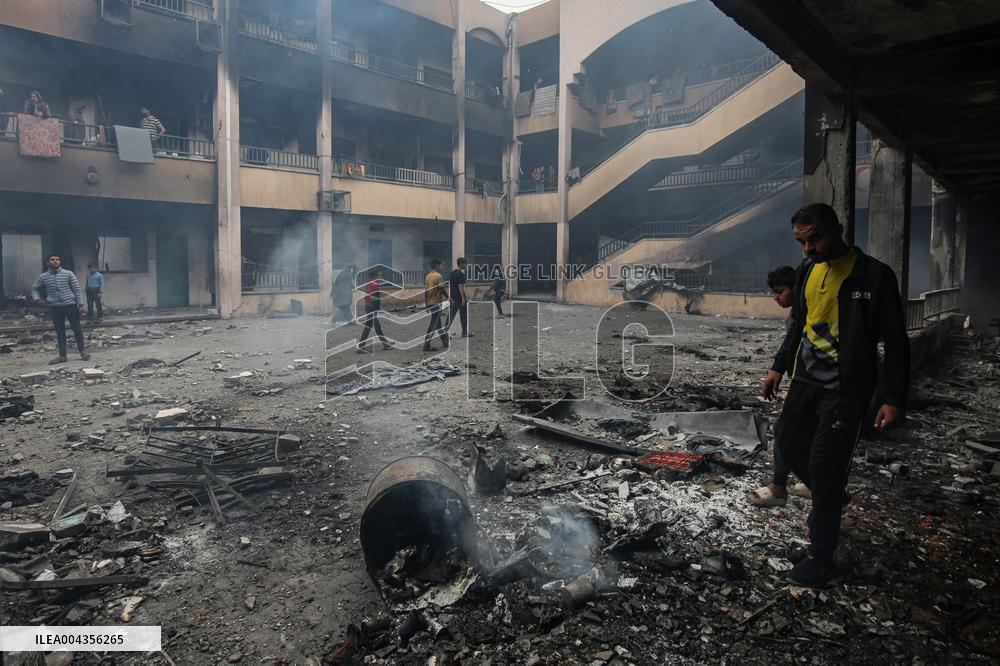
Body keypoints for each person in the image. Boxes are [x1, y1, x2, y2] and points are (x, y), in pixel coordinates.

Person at [767, 203, 908, 587]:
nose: (808, 248)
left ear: (838, 229)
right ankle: (828, 498)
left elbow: (896, 340)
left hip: (846, 389)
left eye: (815, 238)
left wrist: (892, 397)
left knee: (826, 465)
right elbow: (798, 325)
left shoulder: (874, 276)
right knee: (787, 440)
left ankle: (822, 555)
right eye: (802, 242)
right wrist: (779, 366)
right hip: (806, 381)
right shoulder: (808, 270)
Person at [748, 265, 811, 507]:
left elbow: (791, 341)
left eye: (780, 291)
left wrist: (777, 368)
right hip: (805, 378)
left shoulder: (805, 311)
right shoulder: (799, 310)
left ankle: (781, 485)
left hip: (811, 380)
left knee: (784, 430)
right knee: (802, 433)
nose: (776, 297)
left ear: (797, 288)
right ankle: (809, 482)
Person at [31, 255, 89, 364]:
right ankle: (62, 356)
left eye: (57, 260)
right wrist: (37, 299)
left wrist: (80, 304)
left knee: (77, 329)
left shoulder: (68, 274)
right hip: (55, 307)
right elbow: (34, 288)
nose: (55, 261)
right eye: (52, 260)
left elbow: (77, 289)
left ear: (60, 262)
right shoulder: (43, 277)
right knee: (60, 332)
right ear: (48, 262)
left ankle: (83, 352)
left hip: (70, 305)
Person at [356, 270, 392, 353]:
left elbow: (367, 297)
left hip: (368, 307)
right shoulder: (374, 285)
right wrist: (377, 308)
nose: (381, 277)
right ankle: (384, 344)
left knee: (371, 326)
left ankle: (384, 344)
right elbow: (373, 298)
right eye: (380, 275)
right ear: (376, 276)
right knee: (375, 326)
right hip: (372, 308)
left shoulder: (369, 283)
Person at [422, 259, 449, 352]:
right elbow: (442, 289)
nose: (442, 267)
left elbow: (426, 292)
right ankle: (426, 344)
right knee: (433, 324)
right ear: (437, 266)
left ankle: (444, 341)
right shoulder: (438, 276)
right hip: (436, 303)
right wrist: (449, 298)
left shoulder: (428, 276)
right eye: (441, 265)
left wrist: (426, 304)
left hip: (430, 303)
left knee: (438, 324)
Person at [446, 257, 470, 338]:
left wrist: (450, 296)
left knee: (451, 315)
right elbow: (460, 286)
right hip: (459, 298)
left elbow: (451, 286)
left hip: (453, 297)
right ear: (461, 264)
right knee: (463, 315)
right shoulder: (460, 274)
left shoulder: (452, 273)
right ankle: (464, 333)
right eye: (465, 264)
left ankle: (444, 332)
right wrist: (463, 298)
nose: (466, 265)